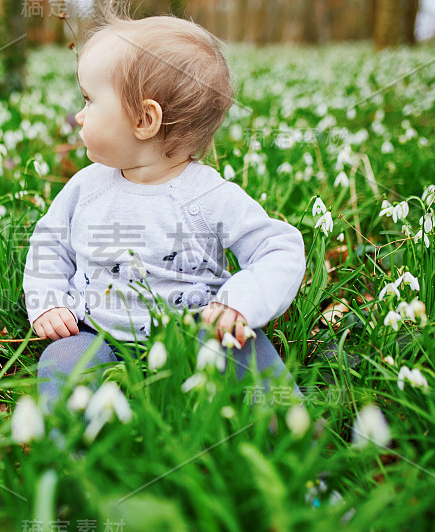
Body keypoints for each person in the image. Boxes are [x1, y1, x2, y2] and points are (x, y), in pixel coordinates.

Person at [23, 11, 306, 416]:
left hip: (196, 332)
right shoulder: (85, 186)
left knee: (247, 353)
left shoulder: (209, 196)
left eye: (89, 100)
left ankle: (296, 451)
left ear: (144, 119)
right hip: (97, 333)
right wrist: (49, 300)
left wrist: (240, 304)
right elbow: (50, 243)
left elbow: (279, 247)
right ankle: (70, 460)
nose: (79, 115)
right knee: (63, 362)